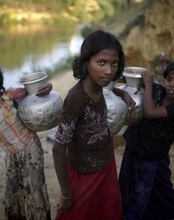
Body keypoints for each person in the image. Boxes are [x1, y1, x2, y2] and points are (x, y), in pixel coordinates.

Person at [52, 30, 135, 220]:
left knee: (107, 212)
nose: (109, 71)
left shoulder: (101, 87)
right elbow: (58, 149)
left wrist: (120, 93)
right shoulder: (76, 99)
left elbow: (111, 85)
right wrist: (65, 194)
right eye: (101, 62)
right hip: (83, 174)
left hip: (106, 166)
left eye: (114, 64)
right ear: (85, 63)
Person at [0, 63, 51, 220]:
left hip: (30, 148)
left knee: (33, 187)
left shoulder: (9, 96)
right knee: (16, 188)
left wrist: (48, 87)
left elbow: (34, 91)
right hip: (12, 153)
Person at [119, 59, 174, 220]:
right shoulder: (158, 91)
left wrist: (148, 84)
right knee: (128, 187)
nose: (171, 84)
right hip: (134, 148)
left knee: (162, 190)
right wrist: (124, 90)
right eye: (169, 79)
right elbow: (127, 85)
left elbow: (150, 112)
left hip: (155, 156)